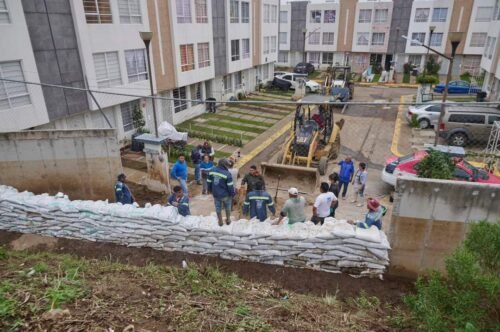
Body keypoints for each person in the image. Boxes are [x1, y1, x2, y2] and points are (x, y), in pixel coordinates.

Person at [208, 158, 235, 226]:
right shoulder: (227, 174)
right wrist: (232, 194)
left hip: (216, 194)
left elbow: (209, 181)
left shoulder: (212, 170)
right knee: (227, 207)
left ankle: (220, 221)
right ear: (224, 165)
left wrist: (210, 190)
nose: (227, 166)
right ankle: (228, 220)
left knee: (218, 207)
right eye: (226, 165)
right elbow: (230, 186)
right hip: (226, 195)